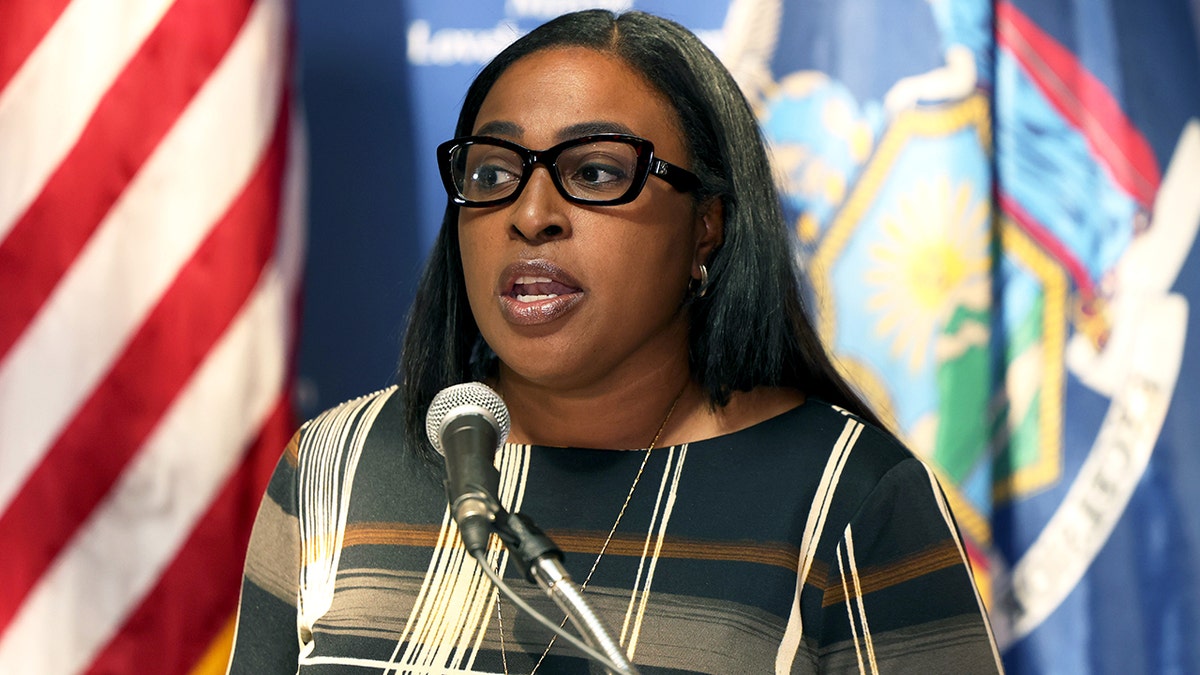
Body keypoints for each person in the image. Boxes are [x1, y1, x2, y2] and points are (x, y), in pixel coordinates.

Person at [228, 9, 1003, 674]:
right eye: (494, 173)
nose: (531, 214)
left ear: (707, 225)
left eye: (595, 173)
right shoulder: (333, 466)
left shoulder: (851, 498)